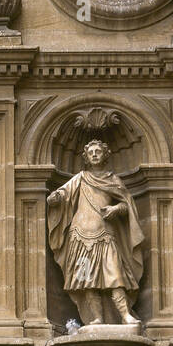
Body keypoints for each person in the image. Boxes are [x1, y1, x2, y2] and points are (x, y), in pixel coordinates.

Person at [46, 138, 144, 327]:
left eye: (97, 151)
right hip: (80, 236)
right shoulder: (80, 178)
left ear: (105, 155)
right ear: (86, 157)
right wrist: (56, 197)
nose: (94, 155)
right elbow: (64, 193)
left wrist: (116, 210)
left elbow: (127, 204)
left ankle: (125, 316)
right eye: (90, 153)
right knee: (88, 281)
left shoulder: (112, 179)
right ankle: (96, 318)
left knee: (115, 276)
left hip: (105, 235)